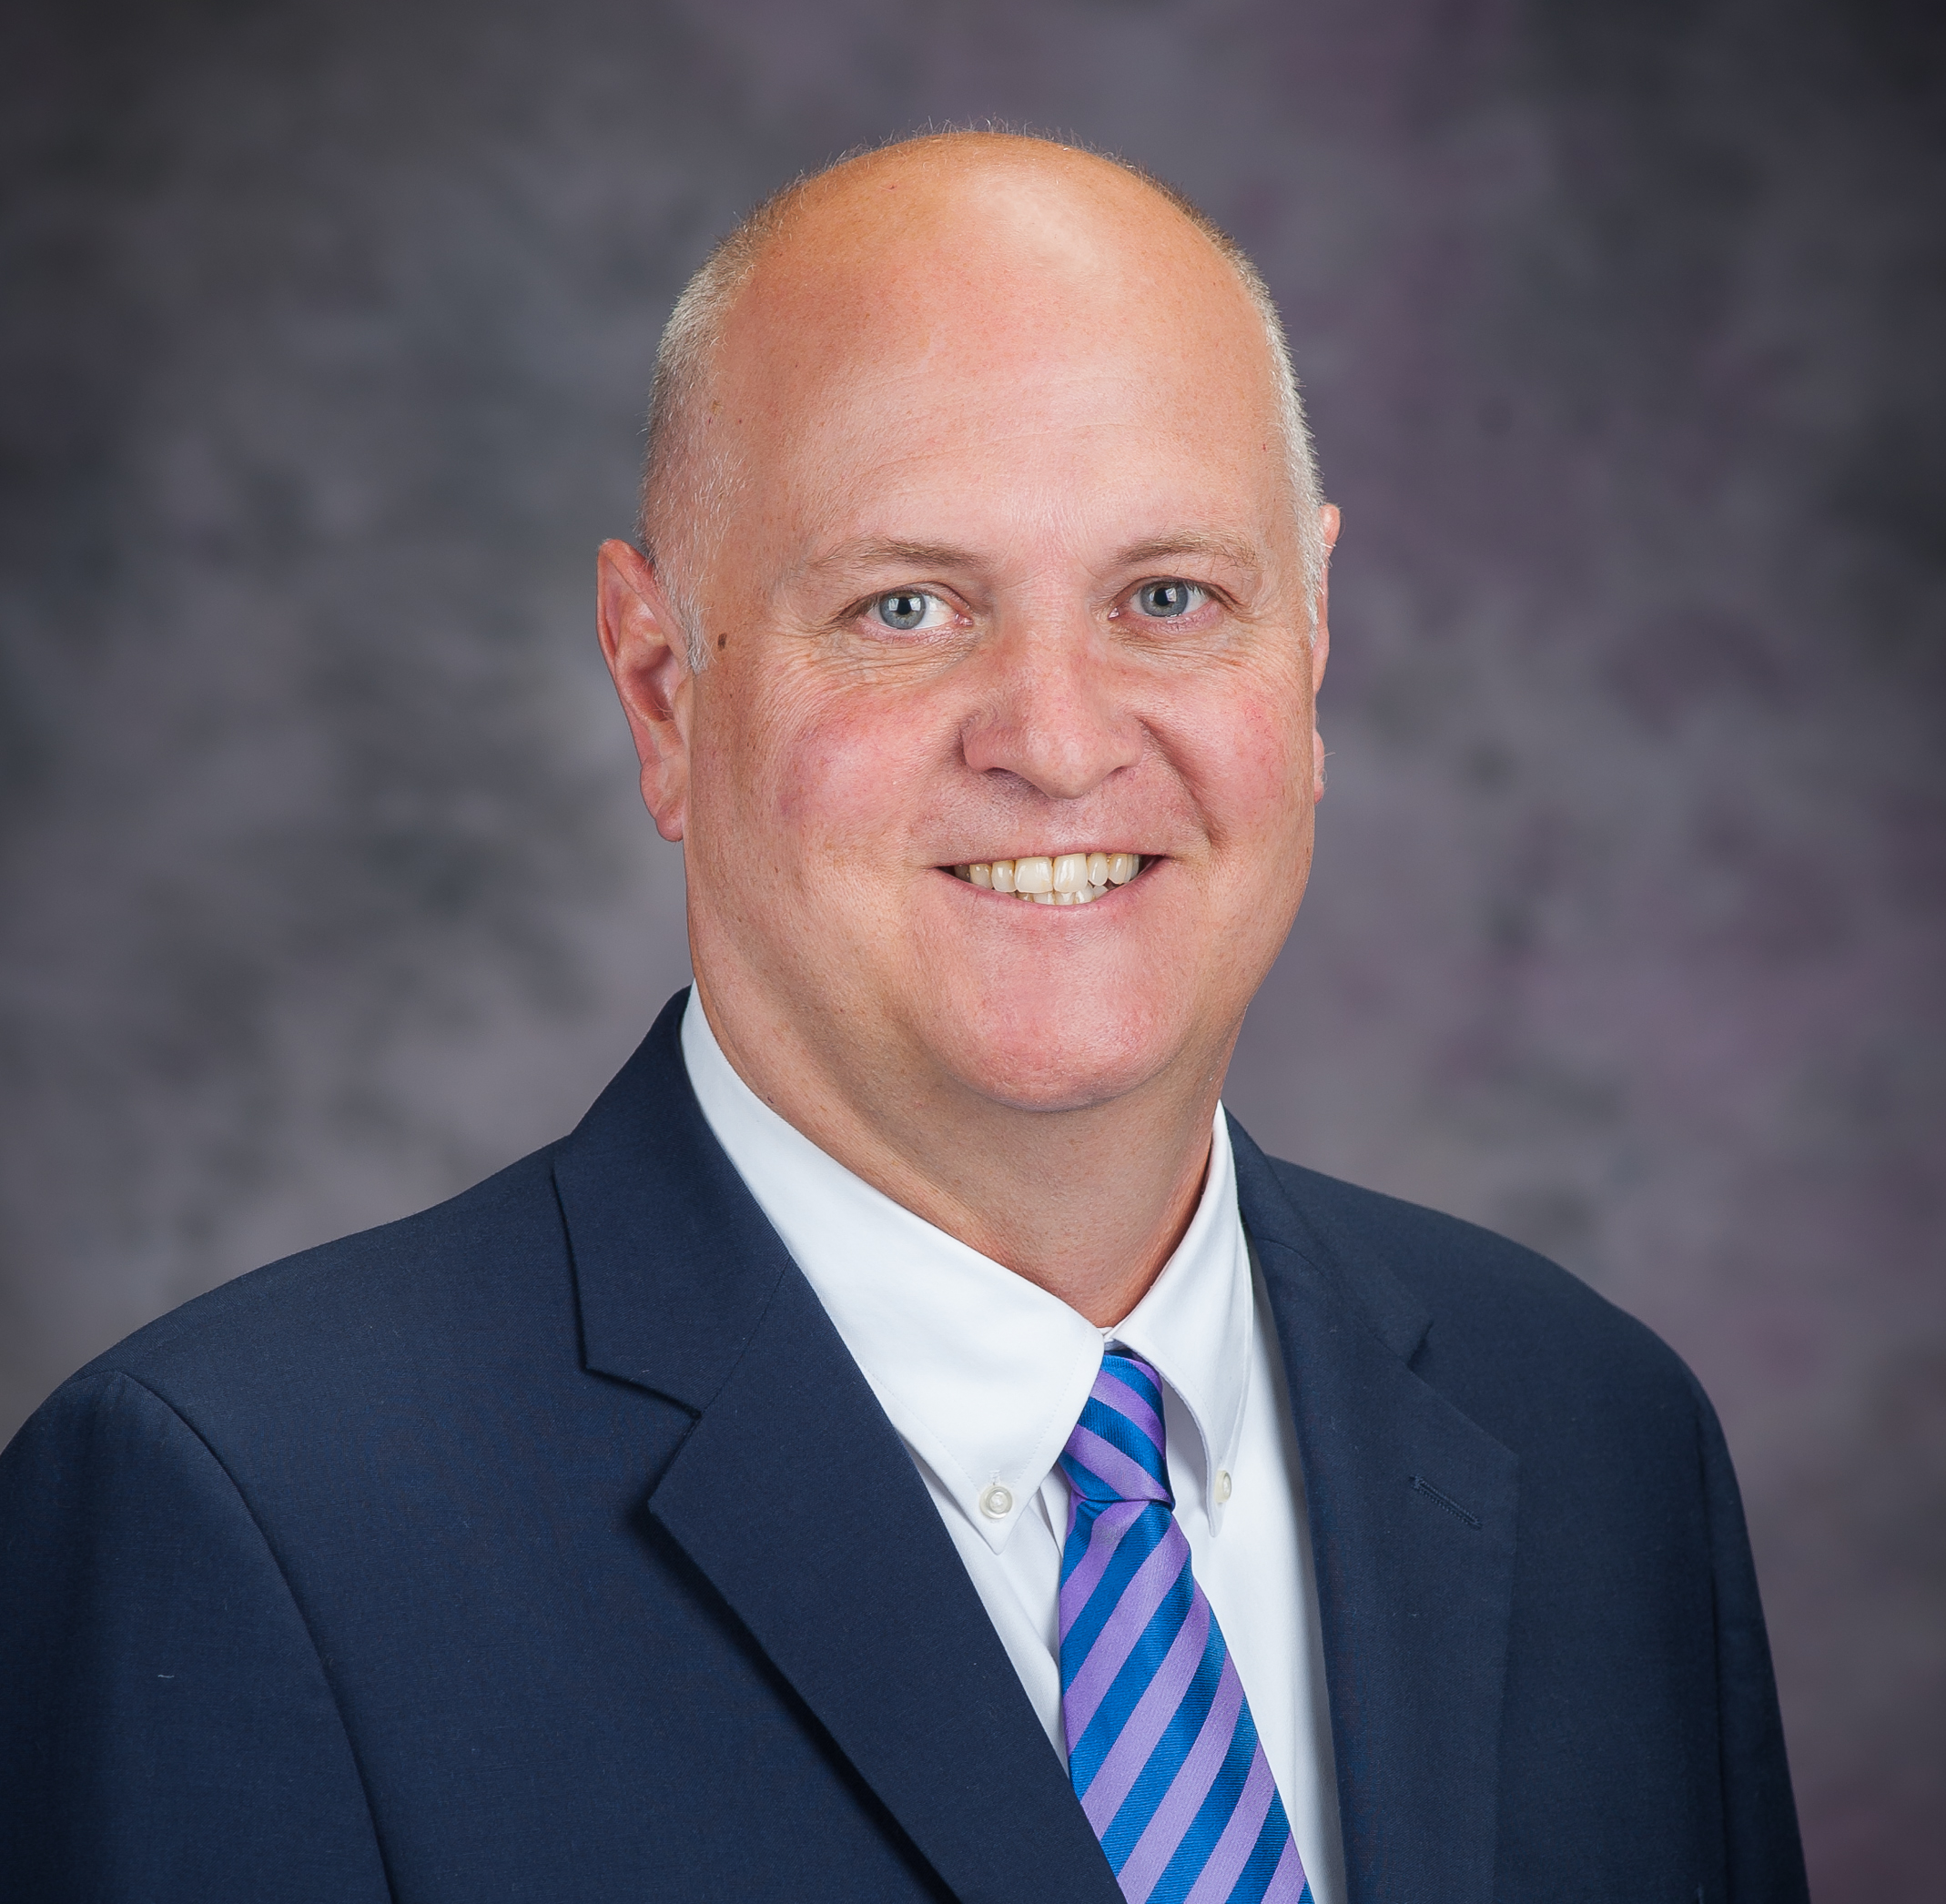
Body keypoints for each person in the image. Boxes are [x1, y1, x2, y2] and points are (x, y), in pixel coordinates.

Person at [0, 133, 1806, 1904]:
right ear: (659, 688)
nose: (1057, 739)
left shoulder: (1596, 1440)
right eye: (906, 606)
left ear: (1312, 640)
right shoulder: (243, 1518)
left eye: (1168, 597)